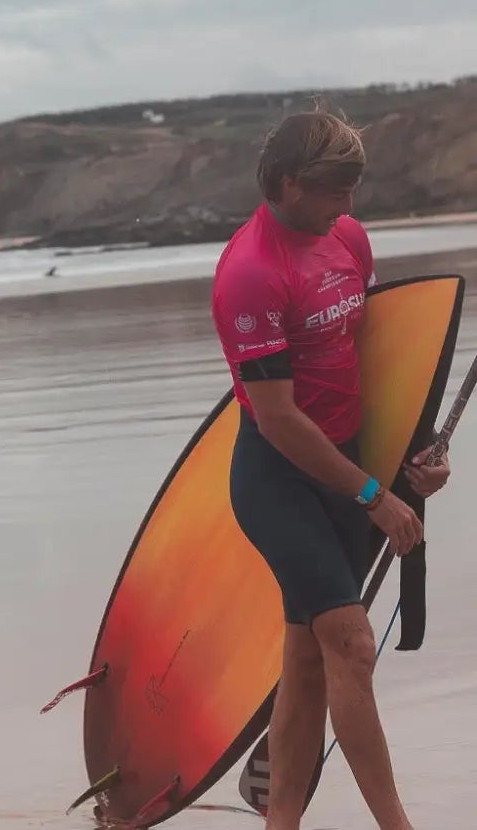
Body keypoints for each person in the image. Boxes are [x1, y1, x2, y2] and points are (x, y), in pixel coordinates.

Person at [213, 111, 450, 830]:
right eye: (332, 191)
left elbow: (369, 357)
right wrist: (374, 496)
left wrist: (411, 462)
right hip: (278, 475)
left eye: (352, 190)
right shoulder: (250, 272)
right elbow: (279, 417)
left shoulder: (345, 238)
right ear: (288, 183)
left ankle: (279, 822)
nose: (347, 207)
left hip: (347, 461)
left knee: (310, 657)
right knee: (349, 640)